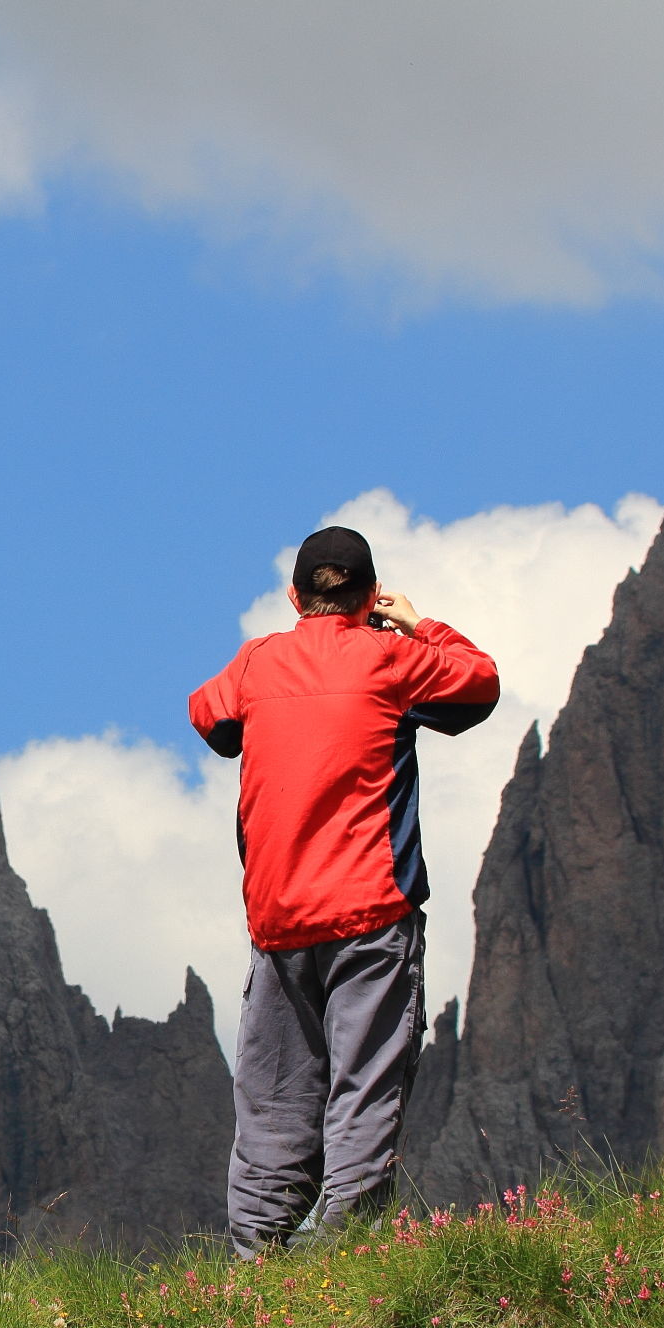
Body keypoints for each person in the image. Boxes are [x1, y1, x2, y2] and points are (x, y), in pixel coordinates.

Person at [188, 524, 499, 1257]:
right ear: (368, 599)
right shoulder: (393, 657)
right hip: (371, 915)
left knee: (271, 1102)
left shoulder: (259, 661)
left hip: (279, 922)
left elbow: (209, 713)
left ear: (296, 597)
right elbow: (479, 680)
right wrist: (420, 624)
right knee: (364, 1090)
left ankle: (254, 1269)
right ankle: (347, 1263)